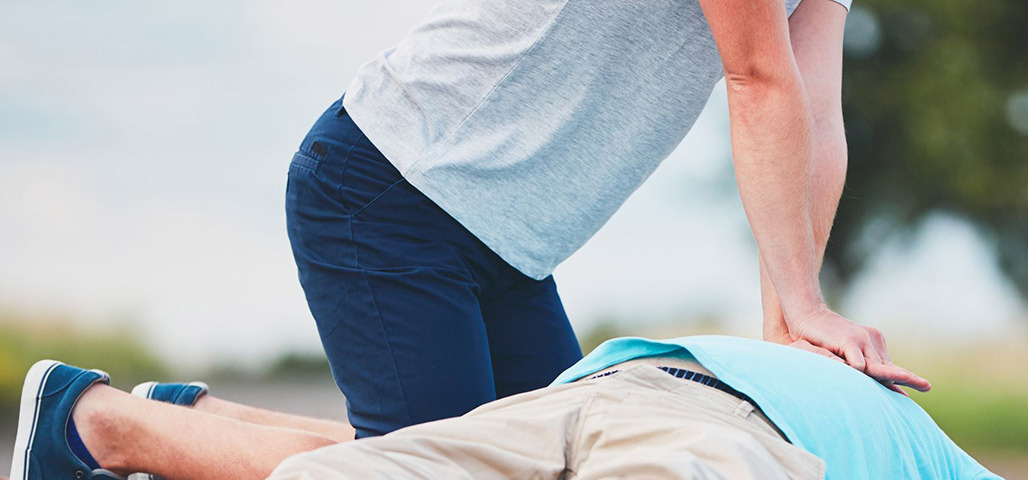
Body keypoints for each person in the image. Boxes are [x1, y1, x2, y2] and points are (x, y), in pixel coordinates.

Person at [284, 0, 929, 439]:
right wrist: (805, 306)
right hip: (391, 186)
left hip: (513, 248)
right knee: (439, 473)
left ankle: (187, 417)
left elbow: (814, 117)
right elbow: (757, 76)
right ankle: (179, 434)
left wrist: (787, 331)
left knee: (560, 467)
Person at [10, 336, 989, 480]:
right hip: (711, 431)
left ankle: (125, 418)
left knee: (354, 472)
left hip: (634, 382)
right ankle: (103, 420)